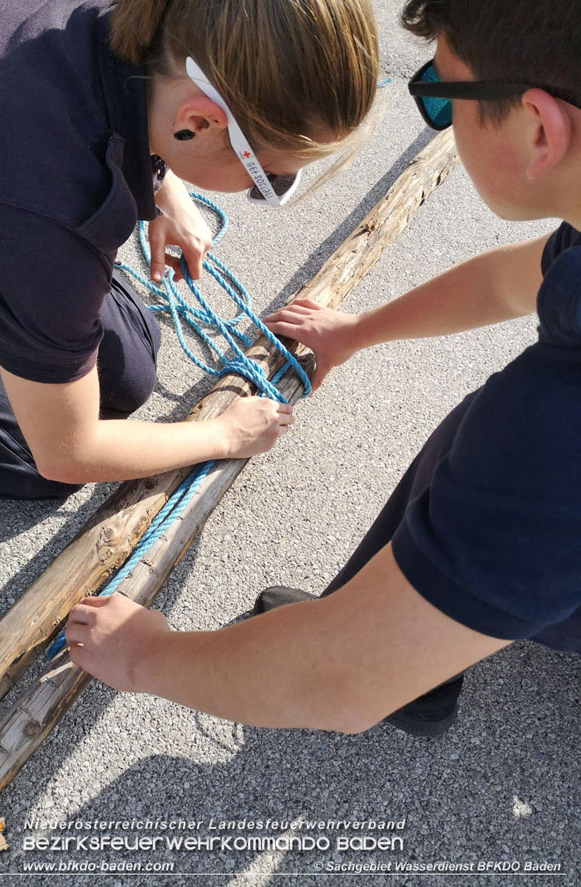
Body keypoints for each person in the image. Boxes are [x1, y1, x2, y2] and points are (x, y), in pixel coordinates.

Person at [66, 0, 581, 737]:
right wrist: (354, 332)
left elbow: (337, 680)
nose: (436, 111)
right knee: (482, 431)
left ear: (538, 127)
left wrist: (146, 653)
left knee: (496, 439)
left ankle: (414, 659)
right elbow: (514, 280)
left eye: (439, 93)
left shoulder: (554, 429)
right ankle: (418, 644)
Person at [0, 0, 378, 499]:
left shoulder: (150, 21)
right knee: (25, 460)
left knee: (131, 372)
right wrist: (221, 435)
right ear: (200, 121)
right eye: (270, 176)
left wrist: (161, 185)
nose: (270, 184)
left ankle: (8, 294)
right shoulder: (53, 218)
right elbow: (67, 454)